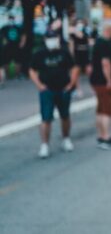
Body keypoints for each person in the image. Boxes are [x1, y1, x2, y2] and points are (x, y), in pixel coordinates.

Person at [29, 31, 78, 159]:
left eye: (54, 38)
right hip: (47, 90)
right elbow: (32, 70)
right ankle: (44, 145)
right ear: (45, 39)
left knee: (65, 115)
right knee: (46, 118)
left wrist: (71, 84)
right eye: (49, 38)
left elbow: (73, 68)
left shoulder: (64, 52)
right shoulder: (40, 54)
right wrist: (39, 85)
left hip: (63, 89)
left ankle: (66, 139)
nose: (52, 40)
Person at [90, 21, 111, 150]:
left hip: (97, 80)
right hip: (103, 82)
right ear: (108, 29)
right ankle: (106, 138)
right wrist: (109, 81)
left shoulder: (99, 42)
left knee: (100, 108)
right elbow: (106, 64)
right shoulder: (104, 44)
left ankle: (101, 136)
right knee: (106, 110)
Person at [69, 19, 91, 97]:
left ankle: (94, 86)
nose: (80, 25)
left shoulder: (86, 32)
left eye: (81, 23)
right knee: (76, 73)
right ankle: (77, 89)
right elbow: (71, 46)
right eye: (78, 23)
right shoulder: (73, 34)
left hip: (85, 54)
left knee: (89, 71)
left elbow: (89, 42)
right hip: (77, 54)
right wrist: (72, 56)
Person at [1, 15, 26, 83]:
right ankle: (7, 76)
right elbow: (2, 36)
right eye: (10, 19)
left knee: (17, 61)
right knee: (6, 62)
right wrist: (3, 42)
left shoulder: (18, 27)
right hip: (7, 47)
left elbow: (23, 35)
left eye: (12, 19)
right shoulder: (4, 28)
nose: (11, 21)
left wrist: (22, 43)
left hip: (16, 47)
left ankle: (17, 75)